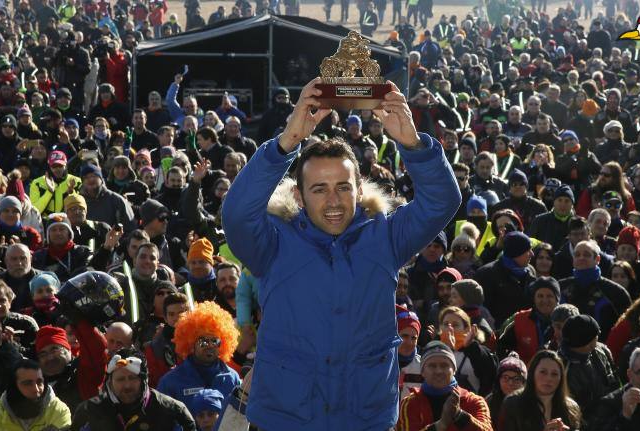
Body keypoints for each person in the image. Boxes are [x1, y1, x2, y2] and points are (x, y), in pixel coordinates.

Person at [221, 79, 461, 430]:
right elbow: (237, 215)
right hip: (287, 419)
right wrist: (287, 141)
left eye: (342, 188)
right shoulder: (273, 243)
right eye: (319, 189)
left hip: (363, 417)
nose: (333, 201)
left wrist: (412, 142)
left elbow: (442, 202)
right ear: (300, 197)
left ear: (359, 189)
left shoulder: (386, 236)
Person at [71, 348, 197, 430]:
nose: (127, 385)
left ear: (144, 380)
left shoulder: (172, 411)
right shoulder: (89, 410)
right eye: (120, 379)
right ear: (110, 382)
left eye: (132, 378)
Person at [396, 341, 493, 431]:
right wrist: (440, 425)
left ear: (454, 370)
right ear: (422, 372)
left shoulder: (474, 401)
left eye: (444, 365)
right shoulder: (410, 403)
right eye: (432, 366)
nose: (438, 371)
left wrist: (460, 416)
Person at [157, 301, 241, 403]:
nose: (210, 345)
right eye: (203, 341)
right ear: (191, 343)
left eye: (215, 341)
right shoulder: (171, 382)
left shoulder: (232, 378)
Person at [498, 350, 581, 431]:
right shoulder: (512, 404)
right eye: (543, 372)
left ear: (561, 378)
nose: (549, 378)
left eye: (554, 374)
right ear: (533, 373)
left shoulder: (571, 408)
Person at [557, 314, 619, 424]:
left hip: (610, 418)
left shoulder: (602, 352)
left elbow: (615, 384)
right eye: (595, 336)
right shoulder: (560, 366)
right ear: (585, 343)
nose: (598, 337)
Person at [0, 359, 71, 430]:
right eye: (27, 383)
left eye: (39, 382)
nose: (36, 389)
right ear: (14, 386)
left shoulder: (59, 410)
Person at [485, 353, 527, 426]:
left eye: (516, 379)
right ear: (499, 380)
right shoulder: (489, 402)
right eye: (505, 377)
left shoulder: (531, 403)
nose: (510, 383)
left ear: (523, 382)